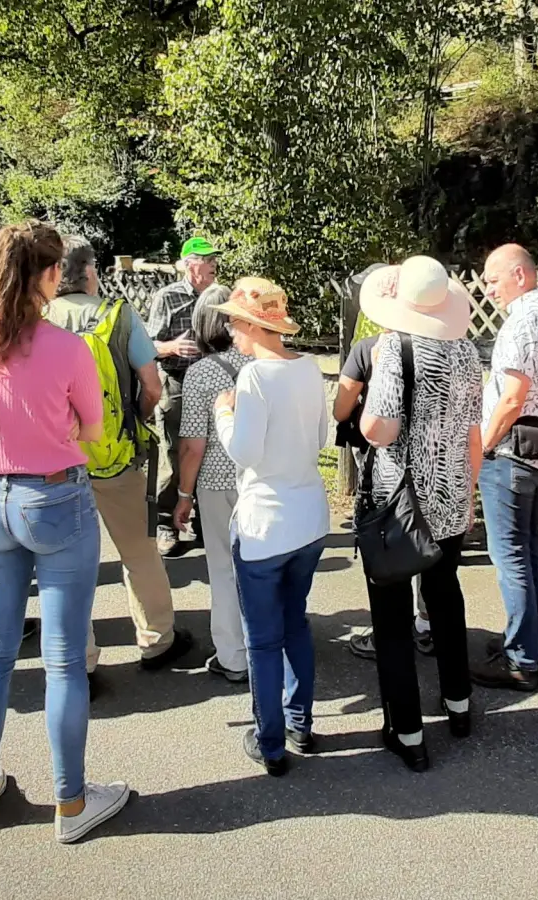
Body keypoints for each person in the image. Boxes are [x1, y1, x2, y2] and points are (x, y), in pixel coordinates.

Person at [0, 221, 129, 844]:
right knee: (62, 664)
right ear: (50, 275)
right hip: (55, 495)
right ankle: (71, 801)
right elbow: (90, 428)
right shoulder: (67, 347)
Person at [42, 236, 194, 674]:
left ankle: (80, 660)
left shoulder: (36, 318)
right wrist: (134, 420)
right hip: (116, 455)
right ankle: (156, 640)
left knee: (66, 565)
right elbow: (152, 387)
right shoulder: (117, 315)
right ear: (90, 272)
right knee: (139, 552)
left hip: (55, 461)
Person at [357, 257, 483, 772]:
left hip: (400, 503)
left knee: (391, 620)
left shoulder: (395, 351)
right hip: (451, 495)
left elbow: (378, 430)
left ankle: (407, 732)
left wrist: (368, 411)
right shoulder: (468, 352)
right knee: (446, 600)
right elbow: (474, 434)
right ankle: (459, 704)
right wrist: (468, 491)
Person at [211, 278, 330, 776]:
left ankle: (271, 740)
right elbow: (322, 436)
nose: (232, 332)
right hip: (309, 515)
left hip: (265, 521)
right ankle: (299, 720)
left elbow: (243, 451)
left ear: (253, 325)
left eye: (235, 323)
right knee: (295, 622)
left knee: (262, 639)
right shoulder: (308, 370)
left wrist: (223, 413)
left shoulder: (253, 378)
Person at [470, 244, 538, 692]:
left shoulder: (524, 319)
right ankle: (531, 645)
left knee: (511, 556)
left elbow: (512, 395)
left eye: (493, 280)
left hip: (511, 451)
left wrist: (484, 447)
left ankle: (521, 658)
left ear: (519, 274)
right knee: (529, 552)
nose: (488, 289)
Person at [334, 267, 432, 663]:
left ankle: (390, 631)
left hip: (385, 467)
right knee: (428, 541)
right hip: (431, 464)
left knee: (392, 544)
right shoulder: (443, 347)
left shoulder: (368, 349)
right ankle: (427, 624)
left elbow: (342, 410)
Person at [172, 296, 252, 683]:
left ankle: (234, 656)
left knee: (223, 567)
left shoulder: (201, 373)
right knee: (263, 567)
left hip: (218, 483)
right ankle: (267, 647)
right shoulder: (263, 363)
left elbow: (192, 445)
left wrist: (184, 495)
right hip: (260, 478)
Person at [147, 237, 221, 557]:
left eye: (214, 259)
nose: (214, 265)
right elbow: (149, 346)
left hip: (213, 382)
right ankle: (166, 524)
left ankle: (205, 523)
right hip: (177, 381)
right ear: (191, 266)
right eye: (208, 260)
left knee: (209, 453)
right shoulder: (167, 297)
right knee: (174, 454)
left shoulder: (218, 297)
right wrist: (172, 347)